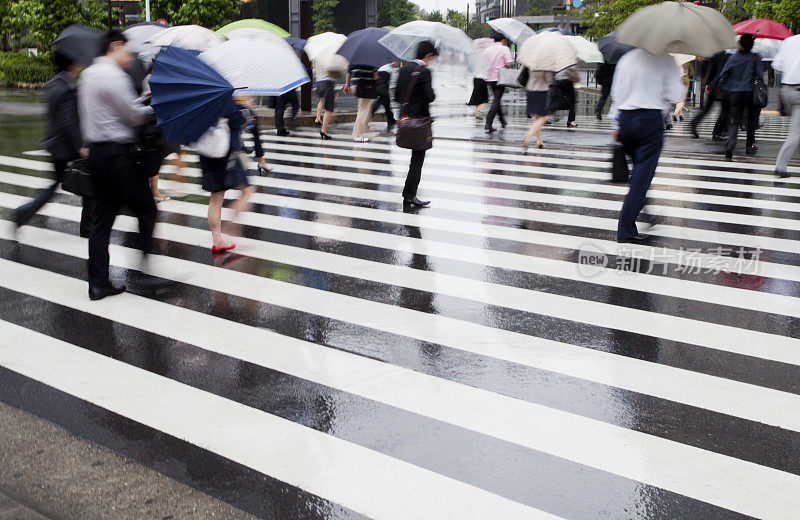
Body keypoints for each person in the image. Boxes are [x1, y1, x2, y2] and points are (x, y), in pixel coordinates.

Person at [78, 30, 157, 300]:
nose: (129, 56)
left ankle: (98, 283)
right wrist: (155, 107)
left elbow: (112, 110)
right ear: (114, 46)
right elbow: (133, 117)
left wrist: (138, 102)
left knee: (101, 221)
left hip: (97, 155)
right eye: (127, 50)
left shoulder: (88, 75)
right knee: (146, 208)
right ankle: (144, 273)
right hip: (117, 156)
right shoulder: (115, 76)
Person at [11, 50, 92, 238]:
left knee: (53, 187)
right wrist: (79, 146)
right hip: (66, 147)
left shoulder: (55, 84)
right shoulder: (67, 87)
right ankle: (88, 228)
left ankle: (22, 214)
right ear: (72, 64)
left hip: (55, 145)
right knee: (90, 186)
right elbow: (68, 120)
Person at [609, 48, 684, 244]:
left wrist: (615, 124)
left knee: (639, 175)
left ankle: (647, 215)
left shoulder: (626, 58)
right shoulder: (666, 59)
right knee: (642, 177)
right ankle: (625, 229)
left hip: (626, 119)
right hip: (649, 121)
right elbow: (675, 94)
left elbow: (617, 94)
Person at [200, 98, 257, 253]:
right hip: (222, 154)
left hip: (207, 152)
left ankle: (218, 237)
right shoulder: (223, 100)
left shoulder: (204, 100)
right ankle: (225, 233)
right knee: (242, 191)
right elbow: (235, 120)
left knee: (216, 198)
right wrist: (245, 109)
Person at [395, 41, 437, 207]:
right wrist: (432, 94)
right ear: (427, 56)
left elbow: (398, 95)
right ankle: (409, 194)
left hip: (405, 119)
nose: (431, 61)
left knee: (415, 157)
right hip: (420, 121)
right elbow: (429, 97)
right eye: (432, 58)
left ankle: (409, 193)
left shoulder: (403, 69)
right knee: (417, 158)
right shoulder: (425, 72)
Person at [718, 34, 764, 161]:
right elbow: (760, 75)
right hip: (749, 93)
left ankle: (730, 145)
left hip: (734, 93)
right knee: (751, 121)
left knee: (734, 120)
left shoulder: (733, 57)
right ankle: (749, 145)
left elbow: (724, 74)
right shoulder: (755, 58)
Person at [772, 35, 800, 178]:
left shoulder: (789, 41)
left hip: (786, 91)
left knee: (796, 129)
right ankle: (780, 167)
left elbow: (776, 65)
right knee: (795, 133)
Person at [690, 51, 730, 140]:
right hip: (720, 86)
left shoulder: (718, 53)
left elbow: (712, 69)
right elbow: (721, 72)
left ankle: (695, 121)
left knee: (707, 109)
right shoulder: (726, 55)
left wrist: (708, 84)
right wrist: (711, 84)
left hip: (714, 85)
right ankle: (717, 133)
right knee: (726, 110)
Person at [483, 31, 513, 133]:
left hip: (489, 77)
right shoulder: (504, 49)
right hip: (500, 77)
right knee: (496, 100)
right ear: (503, 40)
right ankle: (488, 121)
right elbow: (509, 63)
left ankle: (502, 120)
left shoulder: (487, 49)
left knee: (496, 99)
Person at [344, 64, 378, 142]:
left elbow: (349, 71)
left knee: (364, 107)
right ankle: (357, 134)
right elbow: (375, 76)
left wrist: (347, 84)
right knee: (363, 109)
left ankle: (365, 127)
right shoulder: (371, 59)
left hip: (355, 84)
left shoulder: (355, 57)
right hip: (365, 85)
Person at [522, 69, 553, 150]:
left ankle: (539, 141)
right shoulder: (545, 64)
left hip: (530, 90)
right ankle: (528, 135)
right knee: (544, 117)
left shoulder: (531, 61)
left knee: (537, 116)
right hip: (541, 91)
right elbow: (548, 79)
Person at [314, 66, 340, 139]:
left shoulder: (318, 59)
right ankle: (323, 130)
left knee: (321, 100)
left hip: (319, 82)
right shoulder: (329, 61)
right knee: (328, 108)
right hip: (328, 83)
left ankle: (318, 118)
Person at [372, 62, 397, 131]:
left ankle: (391, 120)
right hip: (383, 89)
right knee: (380, 102)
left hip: (380, 88)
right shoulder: (388, 69)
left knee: (387, 104)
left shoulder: (382, 67)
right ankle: (369, 114)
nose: (396, 64)